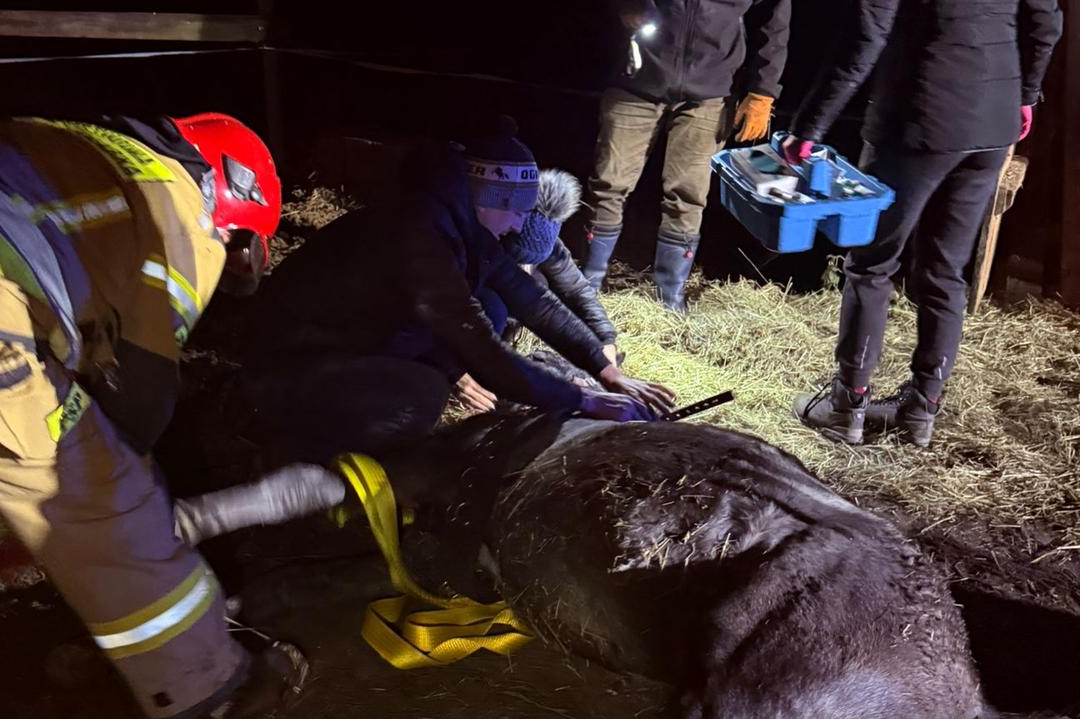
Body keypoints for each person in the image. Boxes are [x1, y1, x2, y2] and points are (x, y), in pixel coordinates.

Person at [0, 113, 336, 718]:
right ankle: (210, 692)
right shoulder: (185, 208)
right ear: (234, 199)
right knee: (107, 492)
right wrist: (59, 497)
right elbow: (143, 391)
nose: (227, 260)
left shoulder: (85, 151)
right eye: (239, 246)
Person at [239, 117, 677, 464]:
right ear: (493, 199)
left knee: (492, 301)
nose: (521, 225)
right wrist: (579, 399)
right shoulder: (418, 238)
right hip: (290, 364)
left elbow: (536, 301)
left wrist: (605, 369)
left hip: (351, 335)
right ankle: (303, 454)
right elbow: (482, 350)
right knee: (421, 394)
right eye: (520, 211)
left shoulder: (458, 226)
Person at [784, 0, 1063, 447]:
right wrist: (1026, 94)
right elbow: (1046, 20)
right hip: (993, 123)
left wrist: (810, 126)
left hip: (916, 116)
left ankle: (846, 405)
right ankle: (921, 411)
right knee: (944, 270)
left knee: (872, 263)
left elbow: (866, 35)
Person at [581, 0, 793, 311]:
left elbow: (775, 17)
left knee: (688, 196)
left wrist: (763, 91)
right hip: (637, 78)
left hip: (712, 91)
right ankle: (586, 286)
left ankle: (669, 298)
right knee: (608, 184)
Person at [454, 168, 622, 412]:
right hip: (468, 327)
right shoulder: (466, 245)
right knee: (494, 305)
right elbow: (439, 313)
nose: (523, 267)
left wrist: (605, 344)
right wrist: (456, 373)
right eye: (516, 258)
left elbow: (574, 290)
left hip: (501, 333)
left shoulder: (543, 237)